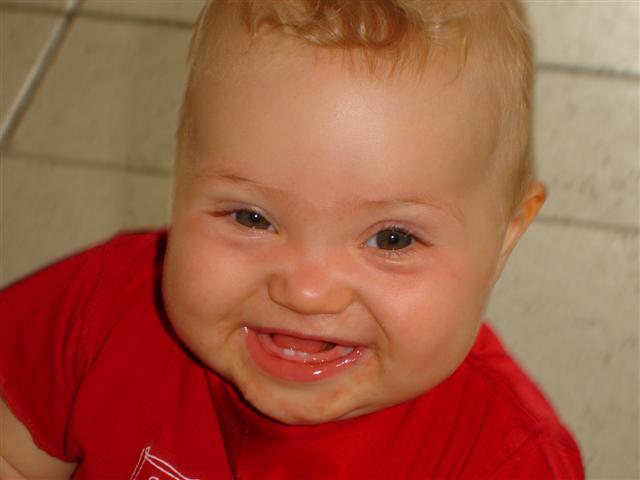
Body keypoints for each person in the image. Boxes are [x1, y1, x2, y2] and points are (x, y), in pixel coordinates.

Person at [0, 1, 584, 478]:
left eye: (391, 238)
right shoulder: (101, 311)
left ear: (504, 239)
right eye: (251, 218)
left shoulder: (506, 461)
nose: (306, 291)